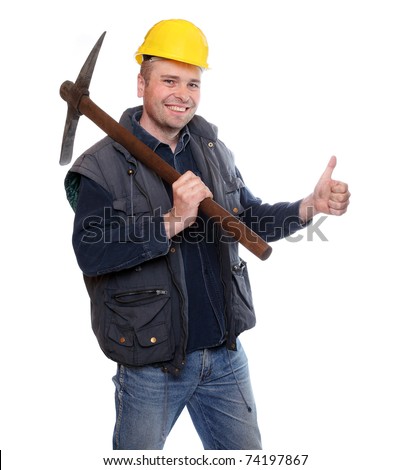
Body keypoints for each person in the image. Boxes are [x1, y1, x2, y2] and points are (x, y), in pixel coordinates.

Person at [64, 19, 350, 450]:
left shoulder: (212, 150)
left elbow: (246, 218)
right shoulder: (101, 165)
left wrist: (310, 206)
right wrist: (172, 221)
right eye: (170, 80)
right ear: (141, 84)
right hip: (150, 366)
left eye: (193, 83)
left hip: (225, 359)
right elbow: (91, 250)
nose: (183, 95)